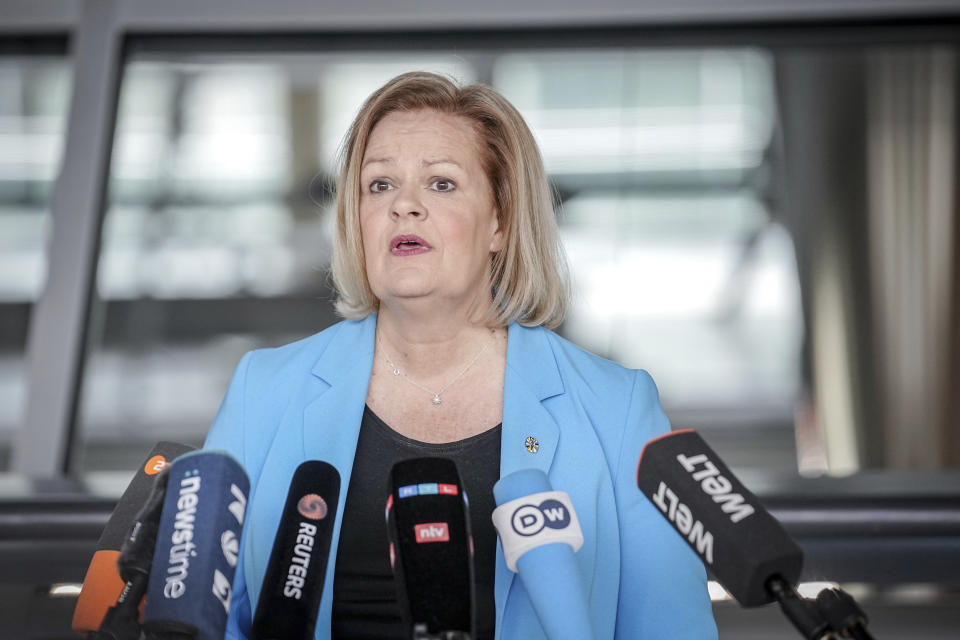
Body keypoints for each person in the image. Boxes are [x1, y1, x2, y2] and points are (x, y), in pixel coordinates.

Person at [205, 71, 717, 639]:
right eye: (379, 186)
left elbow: (671, 628)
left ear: (499, 220)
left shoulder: (616, 409)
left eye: (441, 184)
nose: (404, 205)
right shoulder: (265, 391)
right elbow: (210, 619)